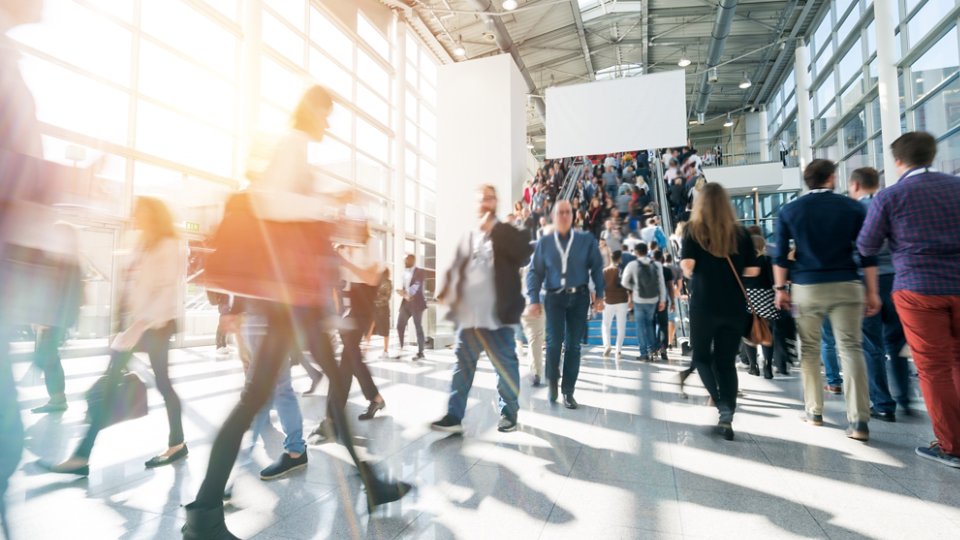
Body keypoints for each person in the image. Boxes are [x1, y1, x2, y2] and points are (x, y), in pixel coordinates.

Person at [182, 86, 410, 539]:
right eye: (326, 113)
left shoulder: (297, 148)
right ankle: (205, 509)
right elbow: (270, 201)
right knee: (258, 396)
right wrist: (324, 204)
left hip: (295, 297)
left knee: (317, 382)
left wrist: (323, 206)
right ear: (312, 110)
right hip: (289, 297)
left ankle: (373, 484)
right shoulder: (293, 142)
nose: (329, 123)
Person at [48, 197, 187, 475]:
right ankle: (83, 455)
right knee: (114, 385)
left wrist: (140, 324)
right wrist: (122, 322)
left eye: (141, 213)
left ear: (154, 216)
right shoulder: (142, 243)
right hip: (134, 327)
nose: (136, 217)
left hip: (155, 326)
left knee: (161, 384)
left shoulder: (170, 246)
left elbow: (166, 291)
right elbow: (131, 287)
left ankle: (176, 443)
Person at [857, 132, 960, 468]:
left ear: (898, 161)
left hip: (918, 287)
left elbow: (867, 245)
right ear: (932, 154)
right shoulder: (956, 187)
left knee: (932, 367)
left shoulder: (891, 196)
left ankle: (951, 444)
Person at [774, 159, 880, 443]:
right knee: (851, 348)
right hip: (847, 284)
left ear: (807, 180)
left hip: (807, 287)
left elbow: (781, 255)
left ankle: (814, 411)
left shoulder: (790, 210)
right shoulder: (853, 207)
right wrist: (872, 291)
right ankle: (859, 421)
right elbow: (867, 253)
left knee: (809, 349)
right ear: (832, 178)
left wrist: (780, 288)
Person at [431, 184, 532, 434]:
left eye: (490, 199)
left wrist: (496, 230)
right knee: (462, 365)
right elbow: (458, 266)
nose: (485, 203)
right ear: (477, 205)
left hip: (499, 314)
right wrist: (446, 289)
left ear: (496, 202)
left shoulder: (508, 231)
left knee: (505, 366)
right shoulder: (470, 236)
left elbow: (524, 255)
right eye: (481, 199)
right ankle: (454, 416)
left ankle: (509, 413)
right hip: (470, 315)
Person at [680, 183, 759, 441]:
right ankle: (728, 416)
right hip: (734, 306)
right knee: (726, 362)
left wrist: (693, 268)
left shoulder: (693, 231)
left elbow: (688, 267)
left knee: (701, 357)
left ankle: (721, 405)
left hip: (704, 304)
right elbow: (753, 271)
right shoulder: (741, 233)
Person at [526, 200, 605, 409]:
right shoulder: (545, 243)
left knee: (573, 346)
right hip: (554, 298)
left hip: (579, 297)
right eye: (559, 212)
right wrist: (533, 299)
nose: (563, 216)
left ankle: (568, 392)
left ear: (573, 216)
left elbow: (597, 267)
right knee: (553, 343)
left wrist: (600, 295)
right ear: (553, 216)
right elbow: (534, 272)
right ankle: (553, 380)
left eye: (567, 212)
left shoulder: (585, 240)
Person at [847, 166, 908, 421]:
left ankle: (883, 402)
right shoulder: (891, 205)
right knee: (897, 342)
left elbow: (859, 248)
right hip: (896, 278)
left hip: (865, 280)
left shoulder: (855, 210)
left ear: (856, 185)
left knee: (871, 344)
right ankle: (905, 396)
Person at [29, 222, 83, 414]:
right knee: (49, 359)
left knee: (47, 359)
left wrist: (45, 320)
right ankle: (57, 398)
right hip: (55, 320)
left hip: (54, 320)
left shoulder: (64, 263)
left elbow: (57, 294)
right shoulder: (67, 261)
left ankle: (58, 399)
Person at [622, 243, 666, 361]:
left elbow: (624, 282)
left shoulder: (632, 265)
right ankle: (653, 349)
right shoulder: (657, 264)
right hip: (653, 299)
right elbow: (661, 283)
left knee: (640, 326)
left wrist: (633, 288)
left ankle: (644, 354)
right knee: (650, 324)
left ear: (636, 252)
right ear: (647, 251)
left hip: (638, 299)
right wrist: (662, 300)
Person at [741, 235, 777, 379]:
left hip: (747, 299)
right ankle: (767, 367)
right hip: (767, 299)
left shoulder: (743, 261)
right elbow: (773, 280)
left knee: (749, 333)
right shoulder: (767, 260)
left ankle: (753, 366)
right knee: (767, 333)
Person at [602, 251, 631, 359]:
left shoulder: (605, 271)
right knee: (621, 327)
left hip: (608, 300)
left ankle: (607, 345)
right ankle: (618, 350)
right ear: (620, 259)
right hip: (622, 301)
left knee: (606, 325)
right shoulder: (623, 271)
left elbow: (600, 286)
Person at [397, 253, 427, 360]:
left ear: (412, 260)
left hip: (417, 303)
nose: (404, 262)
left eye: (406, 260)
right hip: (406, 303)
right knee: (400, 325)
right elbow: (405, 286)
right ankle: (400, 349)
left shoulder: (420, 271)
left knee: (418, 327)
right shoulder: (405, 272)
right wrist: (402, 292)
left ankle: (421, 352)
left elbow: (417, 285)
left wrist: (406, 292)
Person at [369, 268, 392, 359]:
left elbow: (385, 297)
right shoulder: (384, 282)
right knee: (377, 329)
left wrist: (375, 300)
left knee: (373, 328)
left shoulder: (383, 283)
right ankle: (385, 351)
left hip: (381, 308)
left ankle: (385, 351)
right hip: (381, 308)